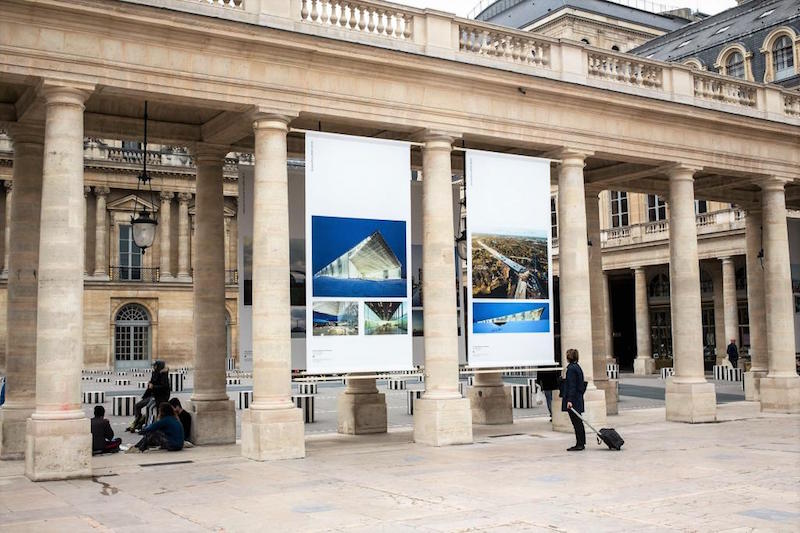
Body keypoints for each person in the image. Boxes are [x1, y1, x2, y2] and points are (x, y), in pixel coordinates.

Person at [127, 360, 170, 432]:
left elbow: (165, 387)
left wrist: (153, 387)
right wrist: (146, 393)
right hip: (151, 395)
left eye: (155, 365)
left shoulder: (164, 375)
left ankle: (147, 426)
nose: (153, 367)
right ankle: (138, 420)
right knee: (137, 406)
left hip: (159, 397)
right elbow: (151, 384)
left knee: (148, 408)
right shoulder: (155, 373)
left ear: (159, 366)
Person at [561, 348, 587, 452]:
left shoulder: (571, 369)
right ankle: (581, 442)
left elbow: (572, 386)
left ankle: (579, 443)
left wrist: (570, 400)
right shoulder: (577, 367)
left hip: (574, 399)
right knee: (578, 421)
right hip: (578, 398)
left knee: (576, 422)